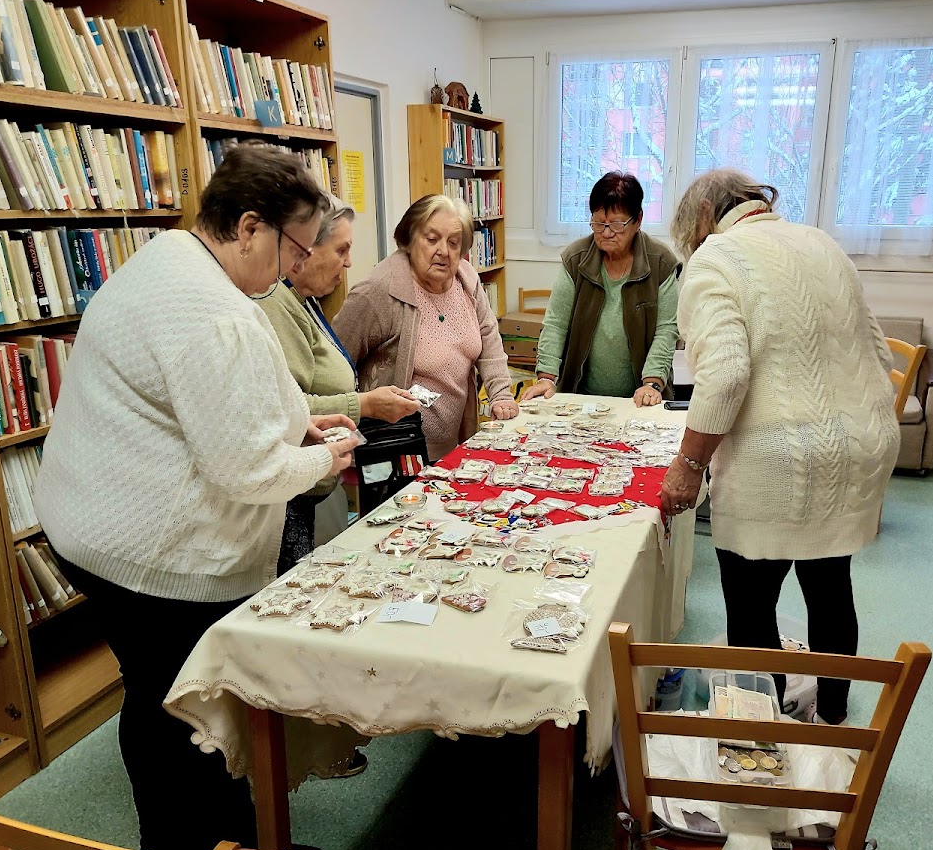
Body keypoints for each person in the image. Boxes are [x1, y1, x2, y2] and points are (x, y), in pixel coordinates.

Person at [33, 143, 360, 850]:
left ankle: (203, 842)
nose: (291, 269)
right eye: (292, 249)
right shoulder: (217, 311)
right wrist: (322, 456)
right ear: (249, 227)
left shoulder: (171, 258)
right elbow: (245, 470)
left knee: (155, 689)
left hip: (89, 521)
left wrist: (292, 418)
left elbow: (202, 400)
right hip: (149, 552)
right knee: (187, 702)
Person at [659, 168, 900, 726]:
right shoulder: (822, 243)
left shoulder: (716, 258)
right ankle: (834, 721)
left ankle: (761, 734)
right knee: (830, 588)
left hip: (775, 461)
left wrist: (689, 463)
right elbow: (877, 350)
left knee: (751, 605)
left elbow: (723, 377)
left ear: (702, 219)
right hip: (855, 447)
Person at [256, 195, 419, 576]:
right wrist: (363, 405)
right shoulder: (274, 304)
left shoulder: (305, 298)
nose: (348, 262)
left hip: (312, 484)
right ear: (304, 248)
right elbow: (285, 407)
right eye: (341, 249)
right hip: (286, 497)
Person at [334, 195, 517, 461]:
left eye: (453, 243)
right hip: (398, 448)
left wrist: (501, 394)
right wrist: (353, 413)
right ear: (409, 239)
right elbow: (334, 359)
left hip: (455, 443)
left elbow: (489, 339)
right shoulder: (380, 291)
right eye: (432, 239)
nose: (443, 250)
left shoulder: (466, 279)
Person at [521, 172, 680, 407]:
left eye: (616, 225)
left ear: (637, 220)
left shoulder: (661, 262)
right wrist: (546, 376)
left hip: (641, 397)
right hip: (581, 396)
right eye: (598, 223)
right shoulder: (576, 259)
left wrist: (653, 383)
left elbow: (666, 330)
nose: (606, 233)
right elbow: (556, 324)